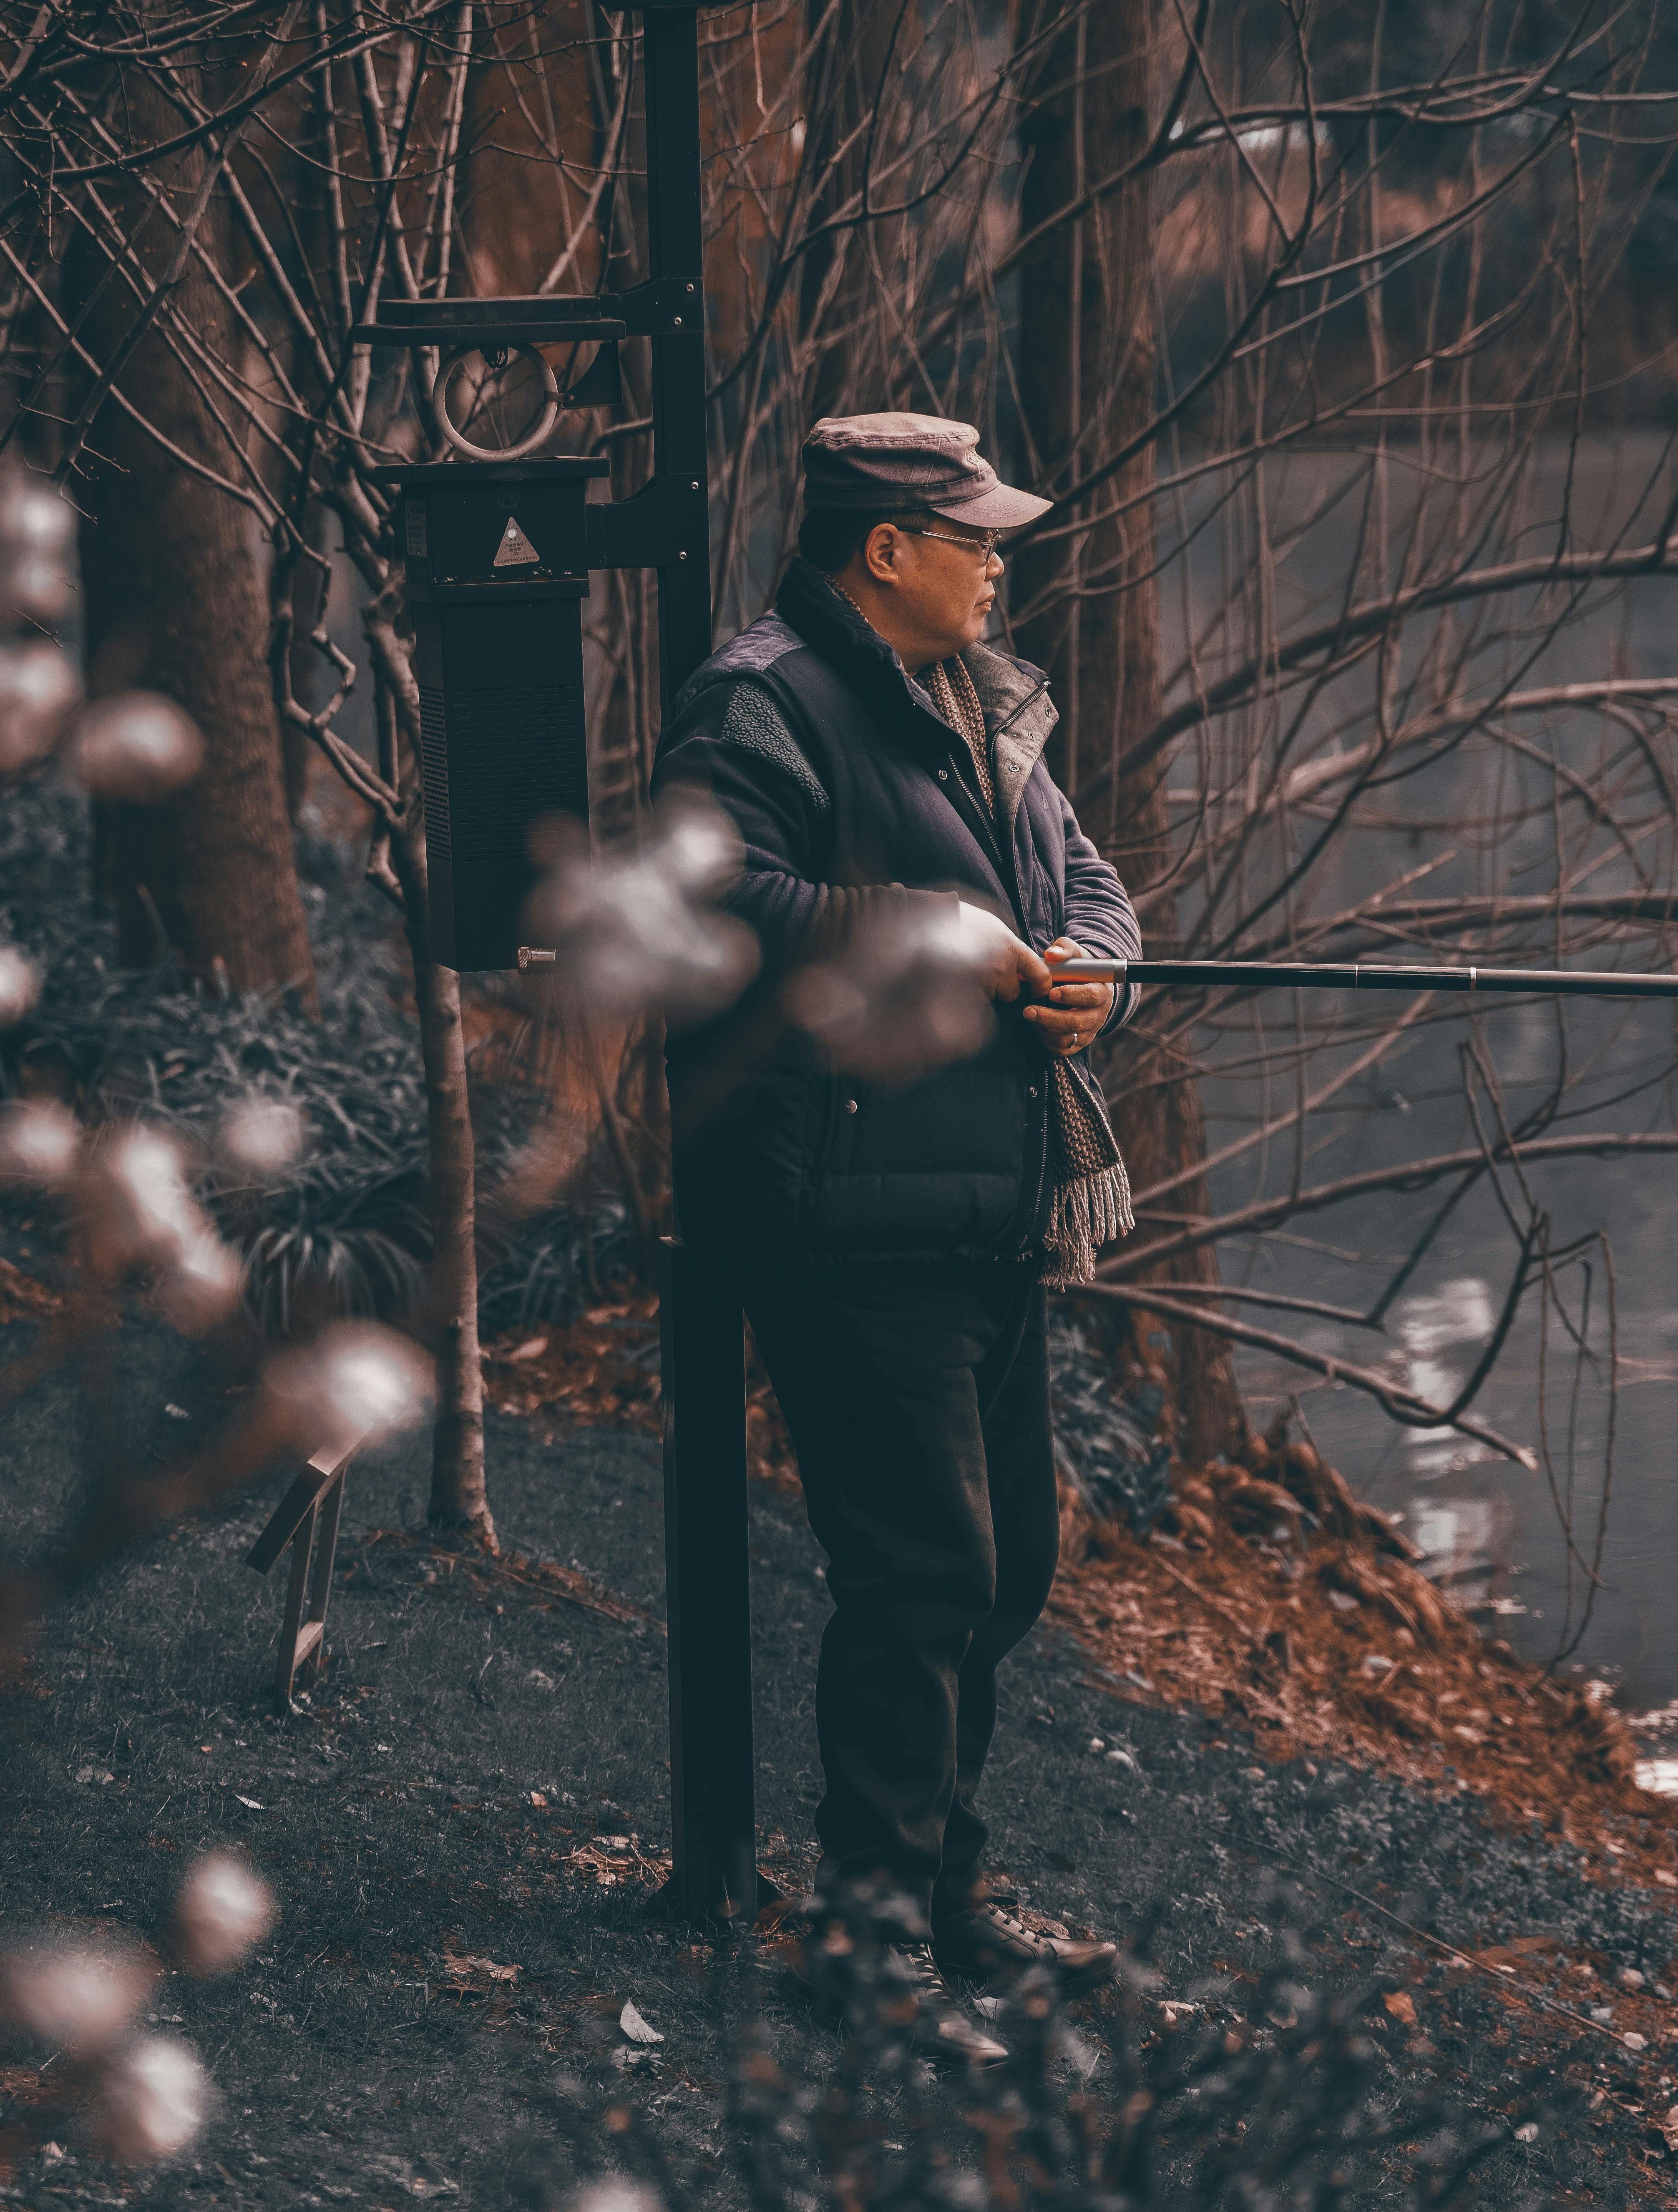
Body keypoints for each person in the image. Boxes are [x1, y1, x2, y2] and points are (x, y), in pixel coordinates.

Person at [653, 412, 1142, 2063]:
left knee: (1003, 1572)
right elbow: (716, 906)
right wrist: (929, 929)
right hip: (841, 1219)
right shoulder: (760, 701)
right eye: (975, 540)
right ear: (886, 551)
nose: (999, 566)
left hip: (988, 1201)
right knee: (922, 1576)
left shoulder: (979, 706)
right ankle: (864, 1954)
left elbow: (1088, 886)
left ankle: (941, 1904)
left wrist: (1094, 975)